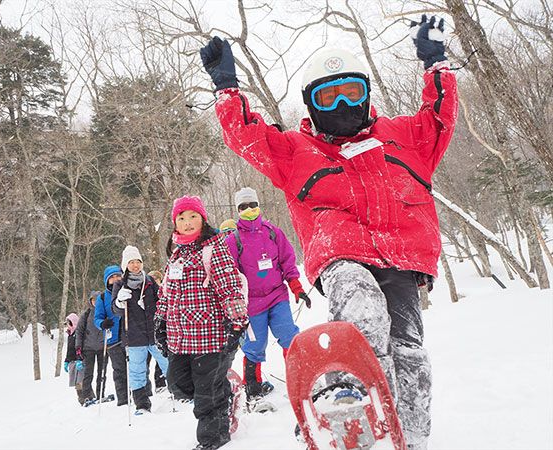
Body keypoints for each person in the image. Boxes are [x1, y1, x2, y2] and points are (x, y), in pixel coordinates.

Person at [200, 15, 457, 449]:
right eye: (329, 95)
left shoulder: (403, 137)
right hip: (341, 254)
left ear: (367, 94)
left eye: (351, 93)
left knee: (408, 349)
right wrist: (227, 88)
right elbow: (247, 136)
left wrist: (437, 67)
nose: (341, 105)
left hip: (402, 258)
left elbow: (437, 119)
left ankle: (409, 435)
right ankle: (343, 390)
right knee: (362, 303)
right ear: (311, 103)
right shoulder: (297, 151)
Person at [155, 195, 248, 450]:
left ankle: (213, 440)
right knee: (178, 384)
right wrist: (160, 322)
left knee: (206, 395)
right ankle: (224, 389)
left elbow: (229, 287)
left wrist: (237, 322)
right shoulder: (176, 254)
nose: (187, 222)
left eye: (192, 217)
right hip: (180, 338)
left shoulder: (214, 248)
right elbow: (166, 292)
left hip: (210, 335)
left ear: (203, 219)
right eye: (181, 218)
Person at [226, 187, 310, 407]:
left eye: (252, 205)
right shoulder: (233, 240)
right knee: (254, 345)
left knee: (289, 336)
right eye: (243, 207)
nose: (249, 210)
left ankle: (299, 380)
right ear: (238, 210)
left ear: (259, 206)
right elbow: (229, 274)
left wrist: (297, 287)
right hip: (251, 303)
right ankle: (253, 387)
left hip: (276, 296)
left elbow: (287, 262)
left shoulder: (273, 232)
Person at [112, 245, 169, 414]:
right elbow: (116, 310)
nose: (135, 265)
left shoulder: (150, 282)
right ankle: (142, 404)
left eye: (138, 262)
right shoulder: (120, 284)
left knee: (167, 364)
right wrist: (119, 302)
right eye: (131, 262)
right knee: (137, 370)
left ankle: (178, 394)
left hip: (154, 333)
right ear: (125, 265)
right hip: (134, 335)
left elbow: (162, 301)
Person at [94, 265, 128, 406]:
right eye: (111, 277)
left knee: (137, 368)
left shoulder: (128, 291)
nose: (115, 280)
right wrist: (102, 323)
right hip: (113, 339)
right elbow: (97, 318)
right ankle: (123, 399)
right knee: (119, 370)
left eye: (117, 276)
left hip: (131, 336)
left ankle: (142, 395)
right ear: (107, 280)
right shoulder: (102, 297)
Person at [75, 291, 105, 403]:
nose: (96, 302)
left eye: (98, 300)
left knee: (102, 373)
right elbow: (79, 331)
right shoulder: (86, 314)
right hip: (88, 348)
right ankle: (86, 396)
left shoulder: (105, 313)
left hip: (103, 347)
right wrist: (78, 347)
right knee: (88, 373)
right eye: (94, 300)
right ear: (90, 301)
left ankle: (100, 394)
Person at [64, 312, 85, 405]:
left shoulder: (79, 333)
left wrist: (80, 359)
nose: (67, 325)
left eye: (68, 323)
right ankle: (82, 399)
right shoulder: (70, 334)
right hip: (73, 362)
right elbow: (69, 350)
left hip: (80, 360)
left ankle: (85, 398)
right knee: (76, 382)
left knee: (80, 382)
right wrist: (66, 361)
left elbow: (80, 347)